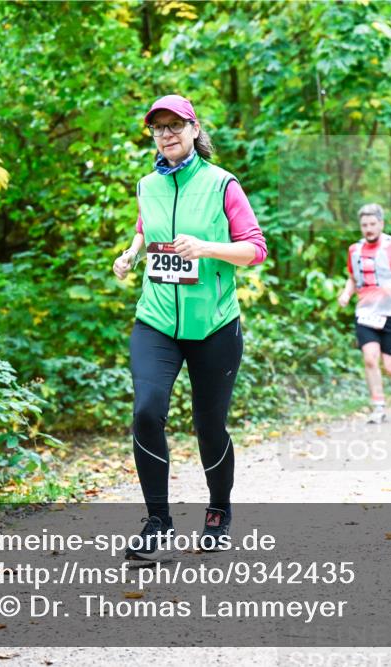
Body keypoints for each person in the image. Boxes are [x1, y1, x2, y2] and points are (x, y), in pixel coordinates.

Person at [113, 95, 267, 559]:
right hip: (156, 319)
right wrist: (131, 252)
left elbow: (255, 249)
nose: (167, 134)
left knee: (208, 425)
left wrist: (207, 248)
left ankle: (218, 510)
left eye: (175, 126)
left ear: (194, 130)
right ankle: (158, 522)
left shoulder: (223, 185)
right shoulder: (147, 185)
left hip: (214, 325)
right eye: (158, 128)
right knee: (146, 410)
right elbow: (146, 227)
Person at [338, 203, 391, 423]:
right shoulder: (354, 250)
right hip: (365, 312)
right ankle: (378, 406)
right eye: (364, 225)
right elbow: (352, 278)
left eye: (373, 224)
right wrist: (346, 294)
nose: (369, 229)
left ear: (381, 224)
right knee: (369, 359)